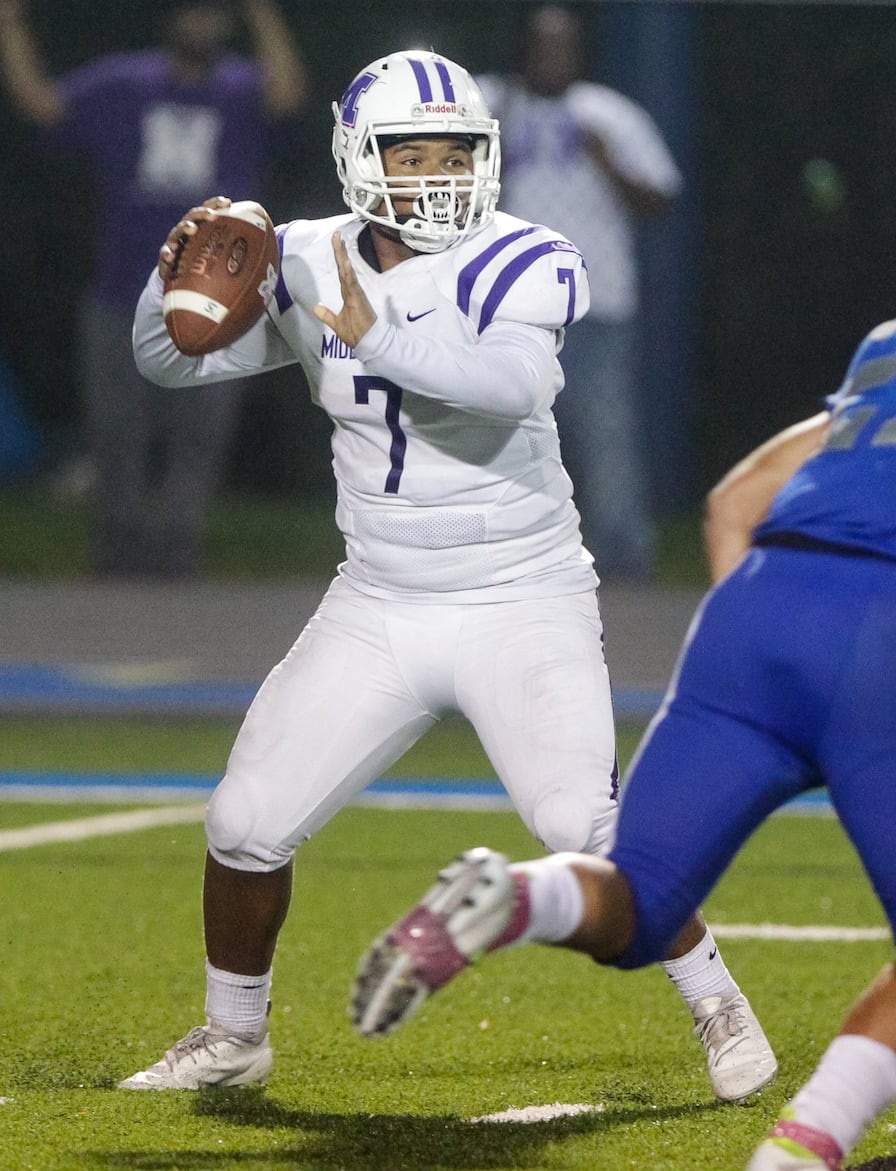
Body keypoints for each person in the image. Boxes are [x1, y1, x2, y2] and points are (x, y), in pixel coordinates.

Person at [347, 151, 896, 1169]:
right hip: (895, 622)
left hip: (749, 618)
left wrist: (768, 671)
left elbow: (734, 502)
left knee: (640, 901)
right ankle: (797, 1152)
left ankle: (512, 894)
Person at [118, 49, 775, 1103]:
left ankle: (716, 998)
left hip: (521, 594)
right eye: (408, 155)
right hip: (378, 600)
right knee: (243, 823)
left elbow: (508, 387)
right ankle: (233, 1034)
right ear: (358, 157)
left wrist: (371, 330)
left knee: (580, 827)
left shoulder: (528, 254)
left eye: (454, 153)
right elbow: (174, 358)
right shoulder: (302, 253)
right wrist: (175, 284)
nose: (433, 176)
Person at [0, 0, 307, 578]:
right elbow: (43, 106)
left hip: (221, 296)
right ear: (172, 20)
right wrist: (10, 25)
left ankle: (176, 552)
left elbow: (288, 97)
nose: (202, 24)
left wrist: (264, 14)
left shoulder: (243, 88)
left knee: (200, 435)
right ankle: (116, 554)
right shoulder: (126, 83)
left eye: (214, 15)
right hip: (123, 290)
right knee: (118, 431)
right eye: (194, 14)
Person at [476, 5, 683, 581]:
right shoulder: (492, 105)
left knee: (605, 437)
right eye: (541, 45)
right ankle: (500, 554)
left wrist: (609, 163)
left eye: (562, 45)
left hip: (596, 300)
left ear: (579, 53)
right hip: (505, 304)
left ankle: (624, 560)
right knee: (501, 432)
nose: (551, 56)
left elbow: (663, 199)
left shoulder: (609, 114)